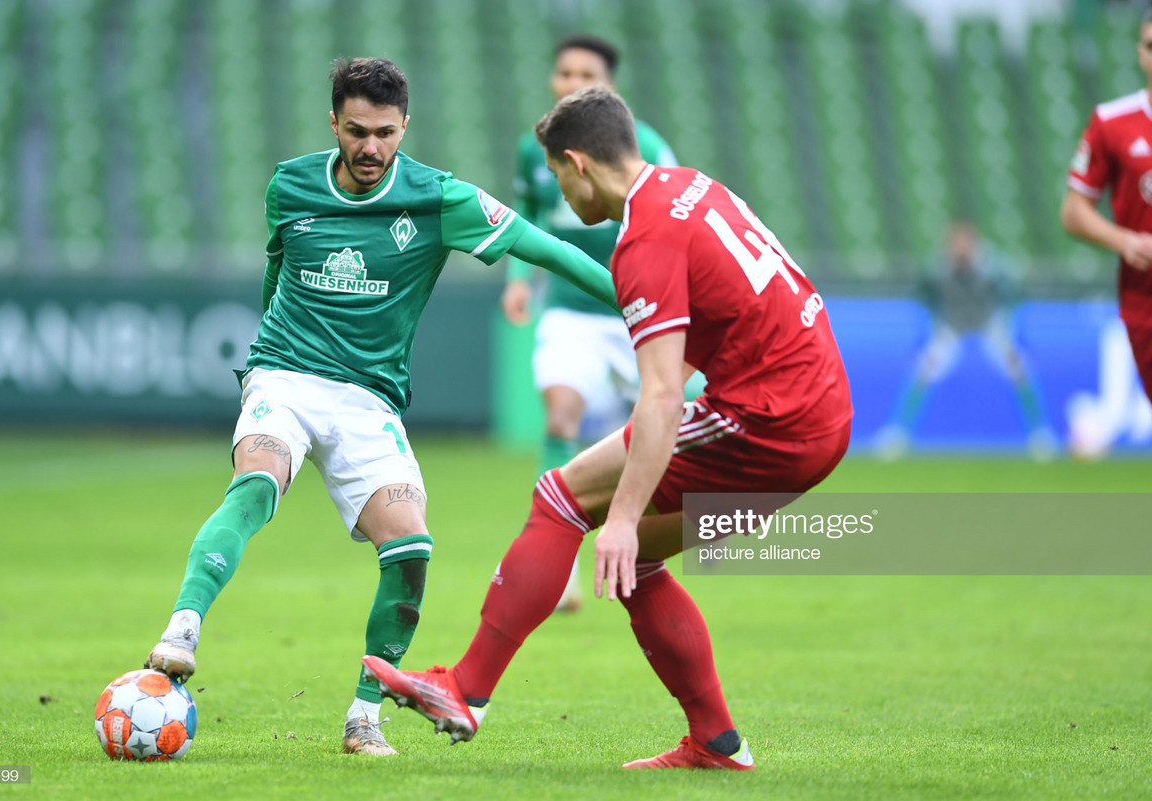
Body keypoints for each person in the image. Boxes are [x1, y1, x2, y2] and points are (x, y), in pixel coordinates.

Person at [362, 86, 852, 770]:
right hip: (819, 406)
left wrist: (620, 513)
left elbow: (659, 398)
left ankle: (465, 690)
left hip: (769, 418)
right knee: (638, 561)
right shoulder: (693, 187)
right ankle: (716, 741)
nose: (561, 194)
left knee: (561, 498)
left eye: (558, 177)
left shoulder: (642, 239)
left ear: (577, 164)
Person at [144, 57, 620, 756]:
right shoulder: (291, 183)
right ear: (333, 122)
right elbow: (277, 270)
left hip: (369, 398)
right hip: (286, 374)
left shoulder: (440, 199)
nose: (371, 148)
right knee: (256, 481)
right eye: (358, 131)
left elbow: (546, 247)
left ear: (406, 128)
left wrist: (641, 303)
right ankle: (183, 624)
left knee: (411, 548)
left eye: (386, 134)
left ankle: (364, 714)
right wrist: (265, 362)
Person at [501, 35, 679, 612]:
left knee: (681, 421)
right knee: (561, 414)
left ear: (609, 88)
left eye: (586, 74)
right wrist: (519, 280)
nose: (572, 82)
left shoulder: (645, 146)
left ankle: (653, 543)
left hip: (641, 315)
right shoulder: (536, 151)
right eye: (563, 72)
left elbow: (676, 220)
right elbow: (527, 213)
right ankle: (561, 567)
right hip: (571, 313)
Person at [1061, 2, 1152, 639]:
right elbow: (1073, 210)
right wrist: (1121, 240)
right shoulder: (1114, 124)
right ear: (1139, 53)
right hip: (1144, 312)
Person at [874, 220, 1055, 460]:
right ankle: (898, 433)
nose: (960, 248)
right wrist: (933, 325)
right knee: (923, 368)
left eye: (964, 243)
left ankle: (1040, 434)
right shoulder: (938, 267)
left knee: (1018, 367)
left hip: (988, 320)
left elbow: (1014, 296)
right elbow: (924, 296)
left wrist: (1009, 328)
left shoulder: (993, 266)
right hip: (953, 323)